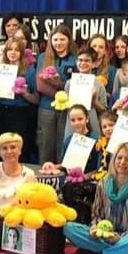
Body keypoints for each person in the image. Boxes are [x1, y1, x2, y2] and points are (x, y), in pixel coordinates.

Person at [63, 142, 128, 254]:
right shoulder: (104, 182)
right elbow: (96, 213)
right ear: (114, 160)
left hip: (126, 239)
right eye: (119, 158)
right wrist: (95, 228)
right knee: (69, 228)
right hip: (104, 236)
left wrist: (120, 238)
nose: (122, 162)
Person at [0, 38, 38, 160]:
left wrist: (25, 93)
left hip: (20, 113)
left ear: (22, 53)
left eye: (17, 50)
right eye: (10, 49)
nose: (13, 52)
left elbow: (36, 99)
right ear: (5, 52)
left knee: (19, 149)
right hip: (0, 111)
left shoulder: (29, 71)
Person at [36, 24, 77, 164]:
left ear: (69, 40)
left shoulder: (76, 59)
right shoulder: (43, 57)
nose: (58, 43)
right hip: (47, 108)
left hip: (67, 109)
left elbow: (75, 86)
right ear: (50, 41)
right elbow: (40, 86)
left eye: (62, 39)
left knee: (63, 144)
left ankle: (61, 174)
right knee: (45, 145)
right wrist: (62, 90)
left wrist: (57, 83)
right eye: (55, 39)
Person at [62, 47, 107, 138]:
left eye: (87, 60)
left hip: (92, 124)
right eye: (80, 60)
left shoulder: (99, 85)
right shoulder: (69, 83)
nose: (83, 63)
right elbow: (66, 107)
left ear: (94, 64)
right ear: (76, 62)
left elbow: (104, 110)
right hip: (72, 126)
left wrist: (94, 101)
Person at [58, 104, 101, 173]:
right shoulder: (68, 141)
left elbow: (99, 168)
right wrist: (53, 166)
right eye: (73, 120)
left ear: (87, 119)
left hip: (90, 177)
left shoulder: (96, 140)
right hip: (71, 177)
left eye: (80, 119)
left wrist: (86, 176)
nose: (77, 123)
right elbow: (64, 165)